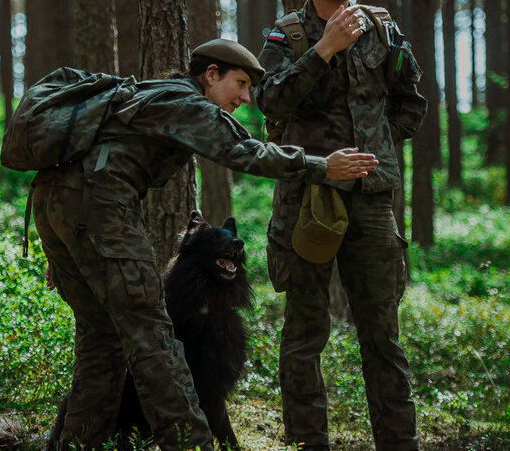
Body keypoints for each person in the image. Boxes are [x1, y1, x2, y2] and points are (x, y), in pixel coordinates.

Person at [33, 38, 379, 451]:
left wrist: (67, 246)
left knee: (100, 338)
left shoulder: (151, 94)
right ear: (210, 75)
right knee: (153, 338)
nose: (246, 97)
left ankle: (75, 444)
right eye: (240, 83)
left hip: (56, 209)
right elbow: (246, 152)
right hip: (96, 210)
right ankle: (193, 445)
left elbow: (88, 165)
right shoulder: (190, 105)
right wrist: (321, 166)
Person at [252, 0, 428, 449]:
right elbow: (269, 102)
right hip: (308, 199)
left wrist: (376, 148)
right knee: (304, 337)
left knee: (382, 337)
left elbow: (411, 102)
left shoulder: (381, 28)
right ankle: (311, 444)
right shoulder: (288, 34)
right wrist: (324, 49)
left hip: (371, 201)